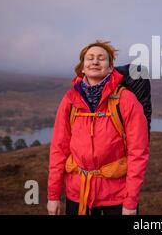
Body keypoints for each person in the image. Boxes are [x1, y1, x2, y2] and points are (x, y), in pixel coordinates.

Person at [47, 40, 149, 215]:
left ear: (110, 68)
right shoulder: (70, 100)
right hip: (78, 195)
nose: (95, 61)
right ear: (83, 67)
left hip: (117, 196)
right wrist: (53, 196)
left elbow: (138, 153)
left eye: (101, 58)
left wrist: (131, 203)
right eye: (90, 58)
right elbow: (59, 149)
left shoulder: (126, 100)